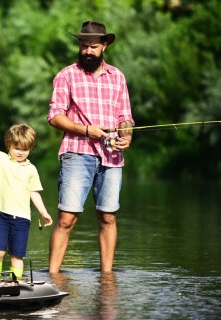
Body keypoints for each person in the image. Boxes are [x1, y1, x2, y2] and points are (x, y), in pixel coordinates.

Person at [47, 21, 134, 273]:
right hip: (77, 152)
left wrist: (126, 136)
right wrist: (87, 130)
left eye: (93, 47)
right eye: (84, 46)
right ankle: (53, 277)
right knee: (66, 218)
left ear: (104, 46)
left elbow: (125, 117)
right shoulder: (66, 75)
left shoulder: (117, 76)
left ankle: (107, 277)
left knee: (108, 217)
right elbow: (54, 117)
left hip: (111, 157)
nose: (87, 51)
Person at [0, 123, 53, 279]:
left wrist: (43, 212)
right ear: (9, 145)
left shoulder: (31, 169)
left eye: (25, 149)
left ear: (30, 149)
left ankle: (16, 283)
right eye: (17, 148)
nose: (21, 153)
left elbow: (34, 192)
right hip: (0, 215)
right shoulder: (1, 160)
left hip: (22, 219)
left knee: (17, 255)